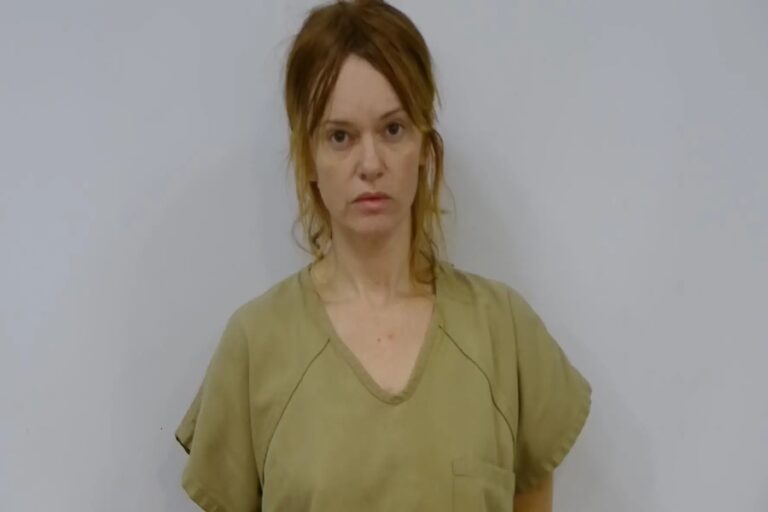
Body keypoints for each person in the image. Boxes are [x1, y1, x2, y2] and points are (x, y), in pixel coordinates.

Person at [174, 1, 592, 511]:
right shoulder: (254, 346)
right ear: (309, 158)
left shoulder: (504, 332)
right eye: (340, 136)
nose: (370, 163)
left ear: (425, 148)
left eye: (393, 129)